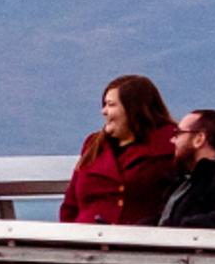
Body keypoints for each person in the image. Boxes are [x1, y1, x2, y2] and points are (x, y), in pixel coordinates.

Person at [58, 76, 180, 225]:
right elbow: (71, 204)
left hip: (138, 242)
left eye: (111, 105)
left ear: (133, 108)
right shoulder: (94, 144)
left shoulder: (170, 144)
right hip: (84, 241)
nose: (104, 111)